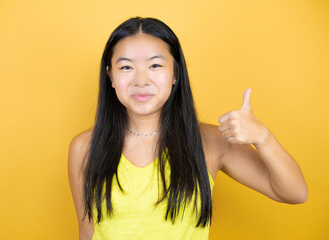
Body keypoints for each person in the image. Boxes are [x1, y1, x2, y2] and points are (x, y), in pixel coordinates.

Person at [68, 16, 307, 240]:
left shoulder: (210, 141)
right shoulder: (85, 147)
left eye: (155, 66)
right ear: (110, 75)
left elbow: (294, 193)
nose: (141, 80)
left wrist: (263, 137)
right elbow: (87, 231)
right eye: (126, 67)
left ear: (175, 73)